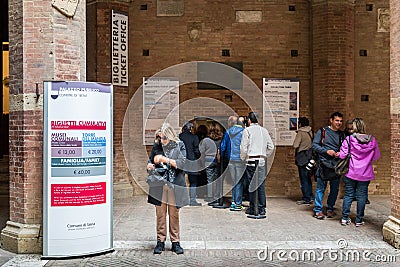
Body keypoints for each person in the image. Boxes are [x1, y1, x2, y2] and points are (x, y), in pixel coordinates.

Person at [147, 123, 189, 254]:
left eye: (164, 138)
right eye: (160, 138)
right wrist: (149, 165)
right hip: (159, 185)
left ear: (170, 136)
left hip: (174, 184)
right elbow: (150, 161)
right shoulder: (157, 146)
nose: (162, 141)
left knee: (174, 214)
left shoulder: (179, 145)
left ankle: (175, 242)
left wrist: (164, 159)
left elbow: (182, 164)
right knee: (160, 215)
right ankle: (160, 241)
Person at [339, 118, 380, 227]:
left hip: (351, 172)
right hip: (365, 173)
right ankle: (359, 220)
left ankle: (344, 218)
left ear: (354, 127)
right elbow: (376, 157)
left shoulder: (349, 139)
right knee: (361, 196)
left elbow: (343, 155)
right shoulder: (372, 140)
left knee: (348, 194)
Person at [240, 112, 275, 216]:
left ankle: (253, 207)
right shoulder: (264, 131)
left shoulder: (247, 130)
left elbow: (243, 147)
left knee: (251, 185)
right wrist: (264, 155)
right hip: (261, 161)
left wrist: (243, 158)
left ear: (249, 120)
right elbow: (271, 147)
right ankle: (262, 208)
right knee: (261, 186)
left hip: (251, 161)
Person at [312, 111, 345, 220]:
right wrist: (326, 151)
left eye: (340, 121)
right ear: (331, 120)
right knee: (321, 188)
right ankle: (318, 210)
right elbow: (314, 145)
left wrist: (341, 153)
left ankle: (330, 208)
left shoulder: (341, 134)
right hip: (324, 164)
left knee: (334, 189)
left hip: (336, 165)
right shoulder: (323, 131)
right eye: (336, 120)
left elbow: (345, 148)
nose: (339, 123)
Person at [220, 116, 245, 211]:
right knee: (239, 182)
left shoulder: (228, 132)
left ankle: (234, 202)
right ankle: (237, 203)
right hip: (240, 160)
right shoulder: (243, 132)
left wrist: (222, 157)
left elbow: (223, 146)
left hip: (230, 160)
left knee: (234, 181)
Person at [179, 121, 202, 206]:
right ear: (191, 128)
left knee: (181, 180)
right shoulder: (194, 137)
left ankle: (181, 199)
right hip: (192, 161)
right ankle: (192, 200)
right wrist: (199, 157)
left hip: (181, 161)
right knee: (193, 181)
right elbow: (196, 150)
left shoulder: (179, 137)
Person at [292, 117, 314, 205]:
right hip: (310, 157)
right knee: (308, 177)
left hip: (302, 157)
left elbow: (295, 145)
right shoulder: (311, 131)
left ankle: (306, 198)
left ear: (300, 123)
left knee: (303, 178)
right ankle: (310, 196)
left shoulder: (301, 132)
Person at [198, 124, 218, 202]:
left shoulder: (206, 140)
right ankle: (216, 196)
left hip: (208, 160)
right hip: (217, 160)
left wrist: (202, 164)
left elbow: (202, 153)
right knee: (216, 179)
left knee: (209, 180)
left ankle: (210, 196)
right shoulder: (219, 139)